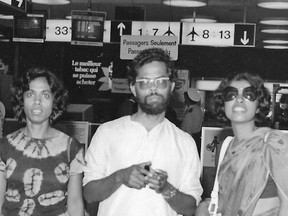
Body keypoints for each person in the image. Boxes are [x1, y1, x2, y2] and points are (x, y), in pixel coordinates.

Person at [83, 48, 203, 216]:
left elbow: (191, 208)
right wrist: (120, 176)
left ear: (172, 86)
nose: (153, 88)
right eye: (144, 82)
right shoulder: (107, 133)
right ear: (133, 88)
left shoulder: (184, 142)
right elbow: (89, 193)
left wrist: (166, 188)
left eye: (160, 81)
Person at [195, 72, 288, 216]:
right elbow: (227, 201)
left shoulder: (273, 143)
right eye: (230, 94)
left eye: (249, 95)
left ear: (258, 105)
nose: (239, 99)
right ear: (223, 104)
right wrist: (206, 206)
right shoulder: (225, 146)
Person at [0, 67, 85, 216]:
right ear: (21, 100)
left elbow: (75, 204)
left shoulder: (71, 148)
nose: (37, 101)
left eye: (45, 95)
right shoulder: (4, 147)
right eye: (30, 94)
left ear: (54, 101)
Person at [180, 88, 203, 155]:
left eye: (185, 98)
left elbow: (188, 130)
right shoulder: (197, 109)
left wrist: (186, 145)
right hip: (196, 138)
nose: (184, 100)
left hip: (190, 139)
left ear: (188, 99)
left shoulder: (190, 112)